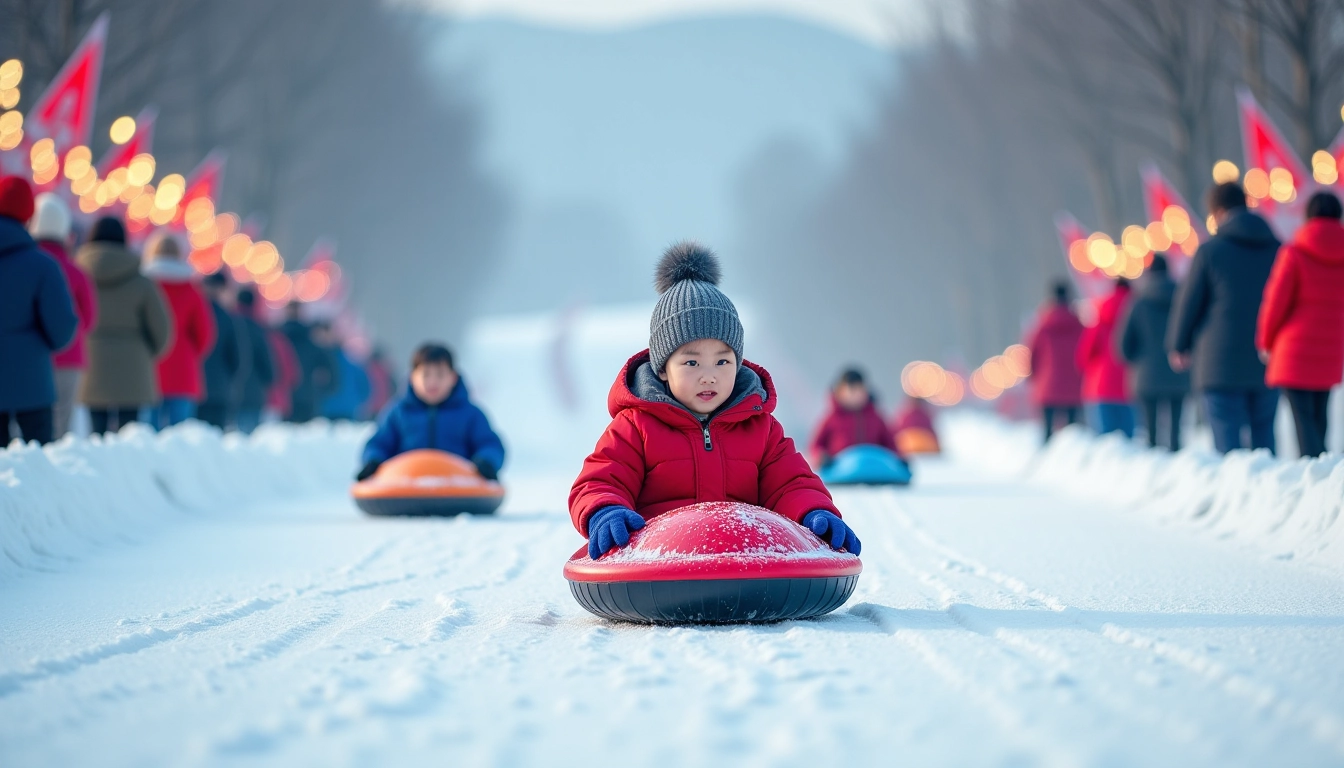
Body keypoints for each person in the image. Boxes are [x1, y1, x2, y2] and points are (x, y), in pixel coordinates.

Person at [569, 243, 856, 561]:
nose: (709, 376)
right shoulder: (635, 427)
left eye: (722, 362)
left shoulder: (760, 429)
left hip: (743, 558)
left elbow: (791, 482)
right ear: (663, 368)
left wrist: (813, 512)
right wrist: (606, 511)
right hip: (658, 561)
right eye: (692, 364)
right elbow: (601, 478)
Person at [1169, 182, 1281, 454]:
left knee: (1227, 444)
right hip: (1267, 357)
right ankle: (1270, 492)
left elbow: (1190, 303)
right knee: (1264, 436)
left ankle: (1236, 491)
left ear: (1218, 212)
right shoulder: (1277, 248)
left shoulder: (1211, 251)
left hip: (1219, 362)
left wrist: (1178, 345)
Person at [1257, 190, 1344, 457]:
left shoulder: (1294, 252)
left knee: (1303, 420)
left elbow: (1275, 302)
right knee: (1320, 416)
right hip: (1330, 350)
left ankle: (1315, 473)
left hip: (1294, 352)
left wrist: (1265, 341)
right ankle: (1323, 467)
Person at [76, 216, 172, 436]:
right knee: (129, 437)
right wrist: (146, 354)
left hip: (92, 363)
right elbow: (162, 330)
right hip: (133, 368)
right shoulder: (141, 282)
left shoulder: (79, 276)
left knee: (96, 434)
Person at [357, 342, 505, 482]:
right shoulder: (398, 413)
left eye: (440, 375)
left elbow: (489, 443)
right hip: (406, 481)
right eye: (426, 375)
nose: (433, 382)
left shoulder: (471, 414)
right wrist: (374, 461)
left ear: (453, 378)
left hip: (457, 482)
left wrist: (486, 461)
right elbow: (379, 443)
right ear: (412, 377)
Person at [0, 176, 77, 444]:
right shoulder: (43, 266)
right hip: (33, 385)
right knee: (38, 466)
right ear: (28, 214)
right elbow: (62, 328)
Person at [29, 193, 96, 439]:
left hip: (31, 357)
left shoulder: (25, 264)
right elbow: (88, 318)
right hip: (70, 358)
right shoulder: (77, 273)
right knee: (61, 426)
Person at [143, 232, 216, 429]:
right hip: (183, 370)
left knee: (147, 434)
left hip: (149, 368)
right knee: (179, 436)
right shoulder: (191, 289)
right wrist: (191, 355)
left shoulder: (145, 285)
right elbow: (205, 333)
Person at [1119, 255, 1189, 450]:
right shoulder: (1182, 298)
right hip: (1178, 371)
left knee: (1151, 430)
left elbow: (1124, 344)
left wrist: (1136, 360)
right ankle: (1177, 458)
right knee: (1177, 427)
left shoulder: (1138, 303)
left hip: (1147, 374)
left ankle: (1154, 463)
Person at [1024, 280, 1085, 441]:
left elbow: (1033, 352)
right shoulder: (1078, 324)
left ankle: (1049, 458)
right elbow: (1085, 351)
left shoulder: (1043, 324)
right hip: (1073, 383)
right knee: (1074, 432)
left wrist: (1032, 375)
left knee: (1047, 431)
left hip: (1048, 384)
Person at [1077, 278, 1135, 437]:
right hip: (1130, 387)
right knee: (1130, 445)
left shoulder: (1101, 314)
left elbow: (1084, 354)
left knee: (1105, 445)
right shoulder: (1138, 310)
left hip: (1100, 387)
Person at [809, 367, 898, 467]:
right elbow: (815, 446)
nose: (857, 395)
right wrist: (821, 457)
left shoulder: (876, 418)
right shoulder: (831, 418)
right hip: (840, 469)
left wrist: (897, 460)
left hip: (872, 468)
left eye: (860, 390)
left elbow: (890, 444)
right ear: (840, 392)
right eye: (852, 390)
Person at [198, 273, 242, 430]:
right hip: (220, 390)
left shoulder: (195, 312)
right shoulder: (227, 318)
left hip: (195, 387)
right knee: (215, 440)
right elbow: (237, 359)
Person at [282, 304, 338, 423]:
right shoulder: (311, 339)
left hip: (284, 397)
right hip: (308, 398)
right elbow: (330, 370)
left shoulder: (279, 338)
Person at [232, 288, 276, 434]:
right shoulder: (258, 328)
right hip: (254, 392)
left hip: (231, 389)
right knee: (249, 437)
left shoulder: (229, 322)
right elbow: (267, 362)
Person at [321, 333, 370, 422]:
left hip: (327, 409)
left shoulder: (324, 365)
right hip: (349, 408)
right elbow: (366, 388)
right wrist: (357, 402)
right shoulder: (354, 365)